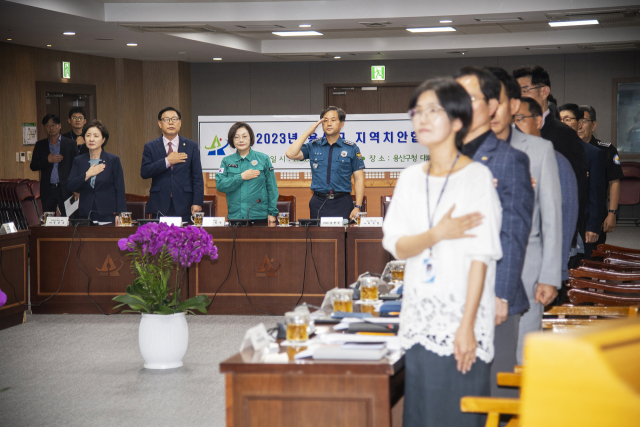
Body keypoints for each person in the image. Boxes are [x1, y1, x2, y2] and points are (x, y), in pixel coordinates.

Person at [382, 77, 502, 427]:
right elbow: (397, 246)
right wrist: (437, 234)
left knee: (458, 414)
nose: (421, 118)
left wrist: (466, 327)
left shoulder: (477, 177)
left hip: (463, 319)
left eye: (433, 110)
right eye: (417, 111)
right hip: (420, 318)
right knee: (422, 413)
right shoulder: (409, 179)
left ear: (458, 121)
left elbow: (482, 257)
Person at [487, 67, 562, 386]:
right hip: (478, 266)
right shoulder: (467, 150)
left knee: (519, 357)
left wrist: (550, 275)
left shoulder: (539, 149)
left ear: (513, 105)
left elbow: (552, 218)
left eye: (497, 101)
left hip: (528, 269)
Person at [454, 67, 534, 358]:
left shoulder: (509, 160)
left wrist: (501, 293)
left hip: (494, 295)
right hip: (452, 294)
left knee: (494, 391)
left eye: (470, 98)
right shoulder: (446, 158)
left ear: (491, 107)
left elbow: (513, 231)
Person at [513, 65, 587, 248]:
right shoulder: (510, 133)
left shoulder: (563, 135)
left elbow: (577, 188)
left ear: (544, 91)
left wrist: (567, 236)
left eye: (525, 90)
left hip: (551, 233)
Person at [517, 97, 579, 296]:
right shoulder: (507, 159)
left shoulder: (556, 160)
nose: (514, 126)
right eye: (511, 120)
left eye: (520, 118)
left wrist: (555, 271)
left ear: (538, 121)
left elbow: (565, 218)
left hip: (542, 268)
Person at [285, 107, 365, 220]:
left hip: (343, 202)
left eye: (333, 120)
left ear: (342, 124)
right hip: (318, 202)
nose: (329, 123)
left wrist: (357, 206)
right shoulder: (313, 146)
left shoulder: (351, 148)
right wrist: (308, 132)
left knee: (342, 236)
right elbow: (290, 154)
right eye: (325, 120)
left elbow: (359, 179)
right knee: (317, 237)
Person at [558, 103, 606, 261]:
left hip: (583, 223)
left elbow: (596, 194)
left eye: (568, 119)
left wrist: (593, 226)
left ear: (579, 123)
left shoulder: (593, 153)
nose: (563, 123)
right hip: (558, 222)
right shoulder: (551, 150)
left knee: (579, 269)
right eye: (559, 119)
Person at [140, 107, 204, 223]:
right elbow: (145, 172)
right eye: (166, 119)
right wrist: (167, 161)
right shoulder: (150, 146)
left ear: (180, 123)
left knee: (185, 239)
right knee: (159, 240)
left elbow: (197, 177)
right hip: (159, 203)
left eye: (174, 119)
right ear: (160, 124)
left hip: (185, 204)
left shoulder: (191, 146)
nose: (171, 122)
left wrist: (197, 202)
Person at [215, 122, 279, 224]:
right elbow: (220, 185)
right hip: (236, 216)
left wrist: (272, 213)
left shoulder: (263, 159)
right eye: (236, 137)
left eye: (244, 136)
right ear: (232, 140)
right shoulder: (226, 161)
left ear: (251, 138)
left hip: (259, 216)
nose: (241, 140)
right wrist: (241, 177)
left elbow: (272, 188)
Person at [578, 105, 624, 244]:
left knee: (593, 257)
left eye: (584, 121)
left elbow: (614, 182)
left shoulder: (606, 149)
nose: (579, 126)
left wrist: (612, 213)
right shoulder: (567, 148)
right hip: (574, 212)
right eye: (577, 121)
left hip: (596, 212)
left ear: (594, 125)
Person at [66, 120, 126, 223]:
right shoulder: (79, 160)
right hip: (86, 214)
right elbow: (70, 185)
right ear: (84, 138)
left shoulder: (113, 160)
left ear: (103, 139)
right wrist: (87, 174)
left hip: (108, 213)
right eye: (88, 135)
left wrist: (121, 214)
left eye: (96, 136)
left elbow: (119, 189)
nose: (91, 139)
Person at [30, 114, 78, 216]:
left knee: (68, 219)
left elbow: (76, 167)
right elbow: (33, 166)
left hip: (65, 189)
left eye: (53, 125)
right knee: (49, 221)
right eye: (47, 126)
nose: (51, 128)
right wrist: (47, 160)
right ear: (44, 128)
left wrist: (76, 189)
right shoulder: (40, 145)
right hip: (48, 189)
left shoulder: (71, 144)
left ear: (59, 126)